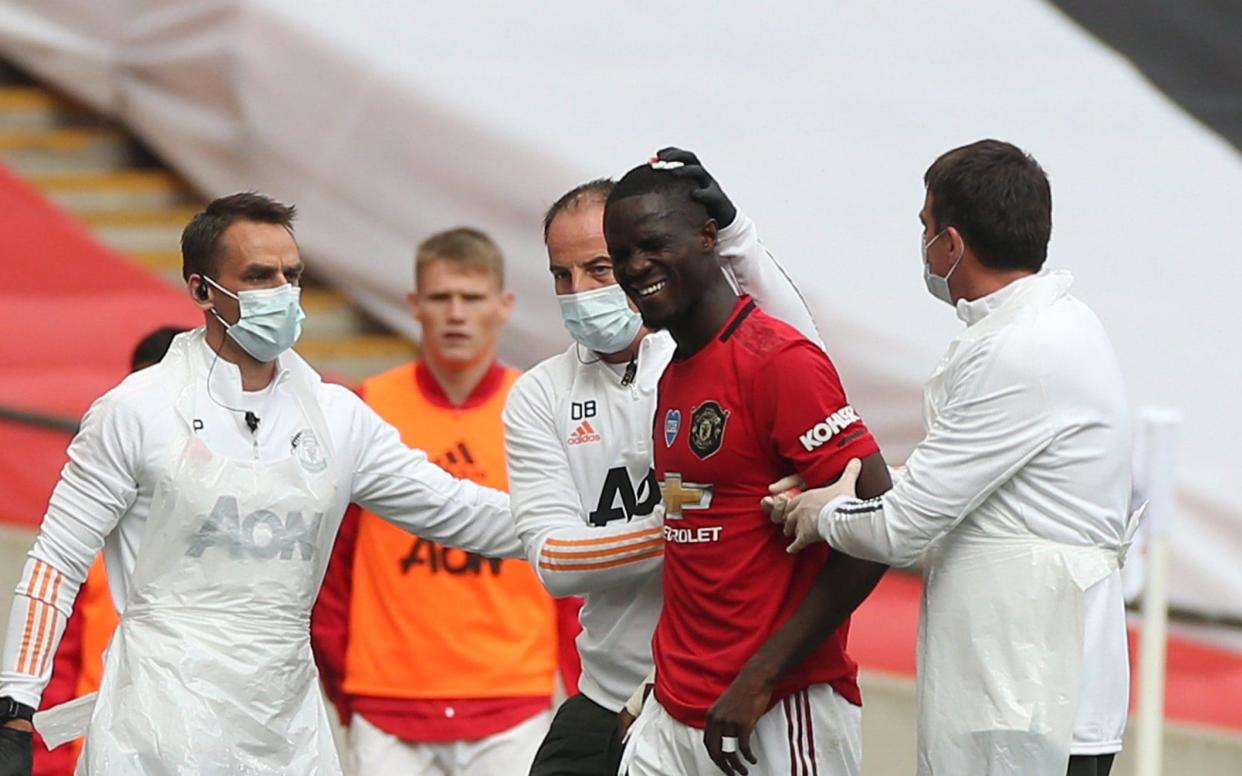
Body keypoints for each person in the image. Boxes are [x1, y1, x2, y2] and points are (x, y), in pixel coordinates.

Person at [0, 193, 524, 776]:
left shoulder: (338, 416)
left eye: (291, 275)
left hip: (287, 724)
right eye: (259, 276)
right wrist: (16, 704)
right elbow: (56, 562)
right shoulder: (134, 411)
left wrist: (590, 528)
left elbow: (458, 510)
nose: (282, 291)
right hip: (156, 718)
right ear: (201, 290)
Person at [768, 140, 1136, 776]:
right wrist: (855, 489)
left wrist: (820, 514)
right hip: (1034, 678)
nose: (924, 243)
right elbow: (973, 487)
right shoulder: (1059, 324)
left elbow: (905, 530)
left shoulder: (1018, 350)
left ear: (952, 244)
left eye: (925, 226)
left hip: (1026, 690)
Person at [503, 148, 841, 776]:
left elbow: (807, 357)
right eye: (561, 275)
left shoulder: (703, 358)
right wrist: (712, 524)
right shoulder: (538, 395)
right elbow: (553, 559)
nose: (580, 293)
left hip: (735, 686)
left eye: (599, 267)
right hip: (608, 691)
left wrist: (740, 237)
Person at [599, 164, 890, 776]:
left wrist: (759, 677)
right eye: (622, 253)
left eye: (654, 244)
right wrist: (657, 688)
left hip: (777, 710)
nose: (635, 267)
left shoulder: (778, 362)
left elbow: (875, 524)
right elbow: (708, 545)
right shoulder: (674, 373)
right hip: (675, 712)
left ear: (708, 236)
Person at [311, 227, 559, 775]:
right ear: (415, 305)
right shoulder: (367, 408)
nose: (455, 314)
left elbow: (568, 557)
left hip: (510, 703)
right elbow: (330, 565)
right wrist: (344, 686)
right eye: (441, 297)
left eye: (470, 298)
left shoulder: (539, 411)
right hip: (387, 703)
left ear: (503, 306)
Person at [30, 327, 186, 776]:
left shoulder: (238, 532)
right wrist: (50, 761)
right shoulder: (91, 533)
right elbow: (57, 658)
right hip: (100, 755)